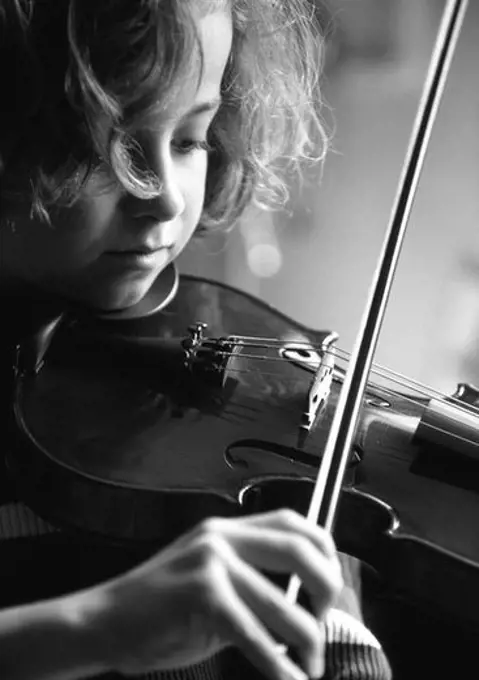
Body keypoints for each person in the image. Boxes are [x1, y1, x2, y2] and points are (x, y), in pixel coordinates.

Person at [0, 1, 392, 679]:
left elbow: (338, 650)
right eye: (109, 146)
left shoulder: (259, 447)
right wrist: (92, 627)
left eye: (188, 140)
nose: (168, 199)